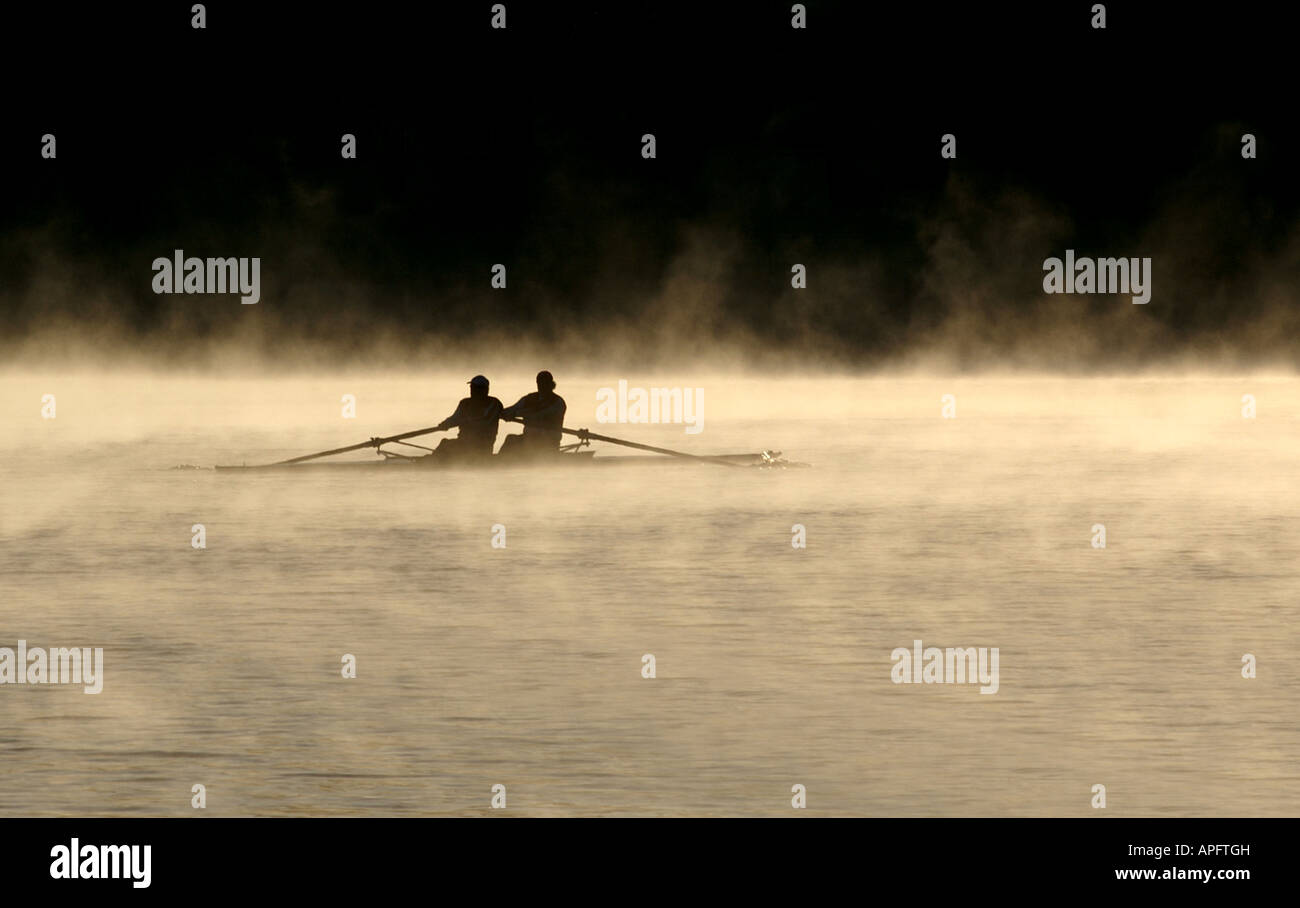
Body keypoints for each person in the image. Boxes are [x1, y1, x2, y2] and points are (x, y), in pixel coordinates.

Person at [431, 375, 503, 460]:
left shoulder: (494, 403)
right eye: (472, 387)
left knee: (446, 444)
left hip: (482, 446)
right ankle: (433, 460)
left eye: (476, 388)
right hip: (462, 443)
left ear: (485, 390)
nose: (472, 390)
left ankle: (433, 462)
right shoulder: (465, 403)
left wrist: (466, 421)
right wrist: (446, 423)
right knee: (445, 442)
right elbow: (455, 417)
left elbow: (485, 421)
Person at [498, 371, 567, 458]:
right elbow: (512, 409)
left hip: (548, 443)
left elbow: (538, 414)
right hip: (528, 440)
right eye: (540, 383)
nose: (542, 386)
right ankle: (496, 462)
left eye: (545, 383)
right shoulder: (529, 398)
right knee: (511, 439)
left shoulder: (557, 402)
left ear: (551, 384)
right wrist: (499, 412)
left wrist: (515, 414)